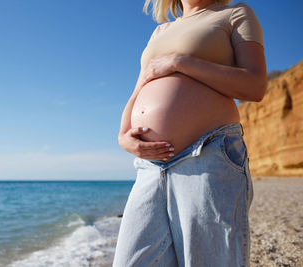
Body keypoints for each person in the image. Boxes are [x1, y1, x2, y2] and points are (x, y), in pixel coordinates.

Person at [113, 0, 266, 266]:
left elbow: (255, 85)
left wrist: (180, 62)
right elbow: (139, 88)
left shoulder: (234, 14)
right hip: (150, 167)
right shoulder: (160, 32)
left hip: (207, 154)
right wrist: (123, 136)